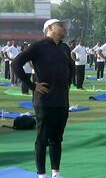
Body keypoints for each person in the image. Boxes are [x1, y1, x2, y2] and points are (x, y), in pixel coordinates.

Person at [11, 19, 74, 178]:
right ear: (50, 28)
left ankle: (55, 172)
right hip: (44, 101)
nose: (64, 29)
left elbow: (71, 67)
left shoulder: (65, 48)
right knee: (42, 139)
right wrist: (32, 86)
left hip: (62, 101)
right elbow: (16, 64)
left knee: (57, 139)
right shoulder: (38, 46)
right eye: (61, 26)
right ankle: (41, 174)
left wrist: (66, 84)